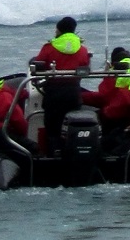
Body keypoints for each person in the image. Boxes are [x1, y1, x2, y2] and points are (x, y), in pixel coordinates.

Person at [30, 16, 91, 154]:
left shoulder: (49, 47)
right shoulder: (83, 49)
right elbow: (85, 66)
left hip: (54, 93)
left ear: (58, 30)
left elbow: (39, 64)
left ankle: (52, 156)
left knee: (52, 128)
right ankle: (73, 155)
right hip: (74, 93)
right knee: (72, 125)